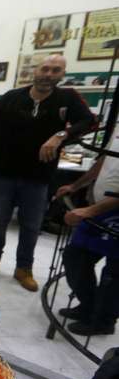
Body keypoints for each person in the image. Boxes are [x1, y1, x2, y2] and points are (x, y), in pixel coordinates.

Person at [0, 54, 96, 291]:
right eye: (45, 69)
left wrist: (61, 135)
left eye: (56, 70)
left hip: (38, 177)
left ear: (62, 74)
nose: (49, 74)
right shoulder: (12, 98)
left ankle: (24, 269)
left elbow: (90, 122)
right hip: (2, 174)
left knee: (31, 225)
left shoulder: (67, 99)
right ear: (35, 71)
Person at [55, 140, 119, 336]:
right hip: (102, 209)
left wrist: (91, 210)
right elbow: (104, 161)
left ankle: (103, 320)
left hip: (108, 211)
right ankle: (89, 306)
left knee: (115, 274)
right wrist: (76, 185)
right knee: (76, 256)